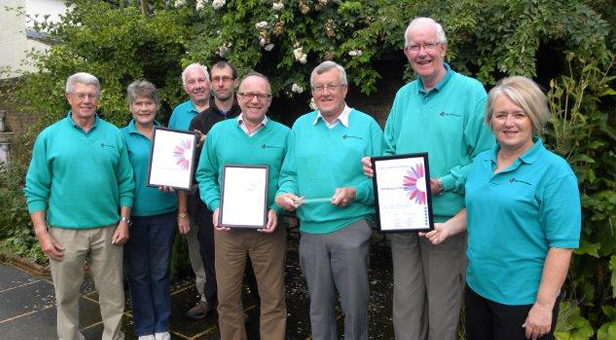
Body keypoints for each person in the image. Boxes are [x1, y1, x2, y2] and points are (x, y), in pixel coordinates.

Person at [361, 17, 495, 340]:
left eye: (429, 45)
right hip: (404, 219)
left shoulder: (471, 92)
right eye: (414, 47)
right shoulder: (404, 96)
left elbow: (485, 158)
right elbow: (391, 149)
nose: (422, 53)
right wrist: (379, 168)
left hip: (446, 223)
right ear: (407, 53)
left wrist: (443, 183)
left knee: (441, 311)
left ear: (443, 48)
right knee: (405, 305)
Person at [421, 75, 581, 340]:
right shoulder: (482, 162)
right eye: (501, 115)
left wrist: (543, 306)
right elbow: (480, 208)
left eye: (519, 114)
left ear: (534, 117)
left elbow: (562, 244)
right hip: (478, 288)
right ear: (490, 120)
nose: (509, 123)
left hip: (522, 299)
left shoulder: (554, 172)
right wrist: (447, 227)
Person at [276, 61, 384, 340]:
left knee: (354, 308)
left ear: (344, 89)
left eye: (331, 86)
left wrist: (355, 192)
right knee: (319, 310)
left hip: (351, 228)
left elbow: (383, 179)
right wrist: (284, 193)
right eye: (318, 87)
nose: (324, 93)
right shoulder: (300, 126)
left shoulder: (367, 126)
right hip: (310, 232)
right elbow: (289, 174)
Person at [24, 72, 134, 340]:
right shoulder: (49, 137)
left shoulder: (113, 134)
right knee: (66, 297)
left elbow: (126, 181)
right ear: (69, 97)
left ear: (98, 98)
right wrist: (42, 233)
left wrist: (124, 220)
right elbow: (35, 188)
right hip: (64, 232)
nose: (86, 100)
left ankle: (114, 337)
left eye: (91, 95)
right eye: (80, 95)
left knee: (113, 295)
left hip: (108, 230)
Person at [196, 72, 290, 340]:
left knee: (273, 299)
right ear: (238, 98)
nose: (254, 100)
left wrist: (277, 207)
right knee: (227, 300)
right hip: (228, 231)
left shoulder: (284, 134)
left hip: (268, 230)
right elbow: (205, 175)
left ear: (269, 100)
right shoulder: (219, 132)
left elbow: (290, 177)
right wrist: (215, 206)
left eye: (261, 95)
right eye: (248, 94)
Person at [121, 80, 178, 340]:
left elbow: (180, 171)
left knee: (160, 271)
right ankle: (145, 327)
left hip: (164, 212)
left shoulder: (169, 136)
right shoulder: (121, 137)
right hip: (134, 215)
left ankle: (161, 325)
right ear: (131, 107)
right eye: (138, 103)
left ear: (156, 105)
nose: (144, 107)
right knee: (139, 273)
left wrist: (174, 184)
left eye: (149, 102)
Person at [169, 63, 211, 318]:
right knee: (197, 248)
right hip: (192, 191)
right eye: (191, 82)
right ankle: (206, 297)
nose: (197, 86)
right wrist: (181, 211)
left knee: (230, 249)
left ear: (209, 82)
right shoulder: (178, 114)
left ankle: (229, 301)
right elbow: (174, 158)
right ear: (185, 87)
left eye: (201, 80)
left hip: (225, 192)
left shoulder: (226, 109)